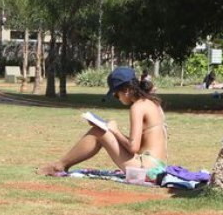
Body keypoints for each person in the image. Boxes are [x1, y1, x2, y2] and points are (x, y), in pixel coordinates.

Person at [37, 67, 167, 175]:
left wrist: (115, 131)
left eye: (116, 95)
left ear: (127, 90)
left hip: (146, 170)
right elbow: (140, 145)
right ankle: (60, 165)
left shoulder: (137, 107)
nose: (117, 98)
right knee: (101, 130)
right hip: (157, 168)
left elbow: (133, 148)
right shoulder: (152, 103)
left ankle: (59, 166)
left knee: (98, 132)